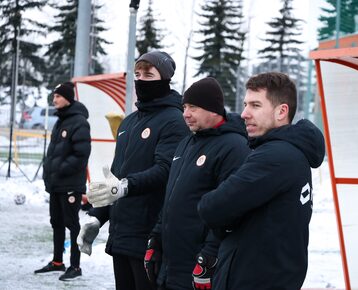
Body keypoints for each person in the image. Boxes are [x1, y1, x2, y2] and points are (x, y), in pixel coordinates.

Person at [197, 72, 326, 289]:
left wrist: (226, 220)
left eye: (255, 105)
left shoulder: (275, 156)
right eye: (246, 104)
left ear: (281, 111)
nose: (244, 113)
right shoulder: (289, 152)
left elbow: (211, 207)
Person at [79, 51, 189, 290]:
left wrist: (126, 186)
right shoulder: (128, 123)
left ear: (166, 79)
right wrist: (98, 217)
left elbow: (166, 170)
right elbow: (116, 178)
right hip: (121, 235)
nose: (140, 80)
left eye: (148, 74)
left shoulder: (174, 120)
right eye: (137, 74)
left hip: (150, 235)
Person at [144, 77, 250, 290]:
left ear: (213, 109)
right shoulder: (186, 143)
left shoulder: (234, 147)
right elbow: (172, 196)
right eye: (184, 107)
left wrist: (209, 255)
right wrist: (156, 237)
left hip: (198, 264)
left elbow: (230, 209)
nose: (186, 114)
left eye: (193, 107)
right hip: (170, 264)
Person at [34, 81, 91, 281]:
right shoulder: (61, 121)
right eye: (54, 96)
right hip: (57, 184)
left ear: (67, 98)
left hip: (70, 185)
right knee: (56, 222)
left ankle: (75, 266)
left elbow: (81, 155)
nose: (54, 99)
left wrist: (59, 169)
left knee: (72, 224)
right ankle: (57, 262)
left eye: (57, 96)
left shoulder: (79, 122)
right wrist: (49, 172)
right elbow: (55, 153)